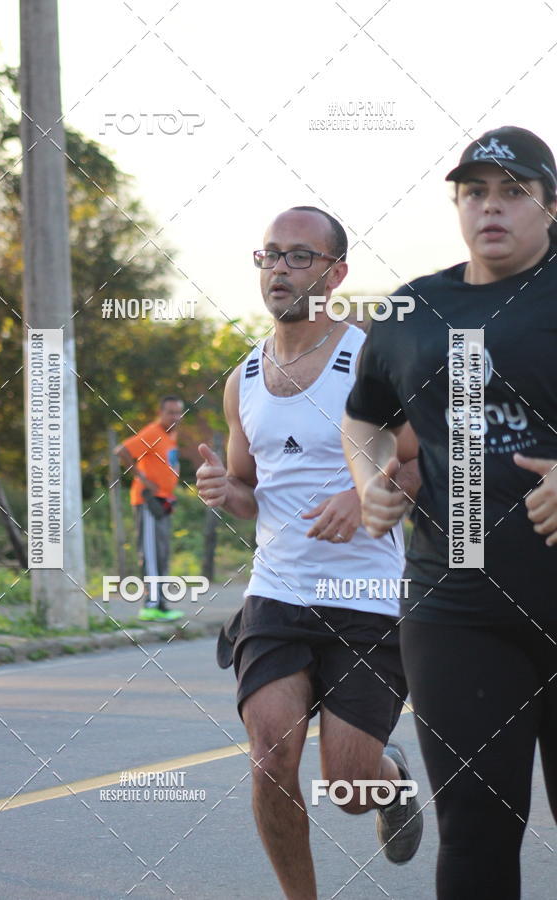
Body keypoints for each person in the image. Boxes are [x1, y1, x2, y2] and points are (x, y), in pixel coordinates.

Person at [342, 126, 557, 899]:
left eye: (513, 191)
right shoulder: (413, 311)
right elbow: (364, 416)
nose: (491, 208)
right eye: (475, 192)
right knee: (473, 828)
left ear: (550, 205)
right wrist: (369, 477)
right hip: (456, 605)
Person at [196, 206, 423, 900]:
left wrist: (365, 499)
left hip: (364, 599)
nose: (280, 270)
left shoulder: (372, 364)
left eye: (299, 257)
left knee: (349, 785)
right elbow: (250, 489)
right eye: (270, 256)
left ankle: (389, 776)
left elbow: (421, 466)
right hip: (277, 595)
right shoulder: (244, 379)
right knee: (270, 758)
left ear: (335, 272)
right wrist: (220, 488)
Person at [114, 396, 184, 622]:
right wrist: (142, 478)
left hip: (163, 502)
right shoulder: (153, 432)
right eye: (170, 412)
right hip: (148, 502)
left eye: (178, 412)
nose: (175, 417)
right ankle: (151, 605)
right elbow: (122, 450)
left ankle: (161, 605)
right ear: (160, 412)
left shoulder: (170, 436)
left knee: (162, 554)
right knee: (152, 553)